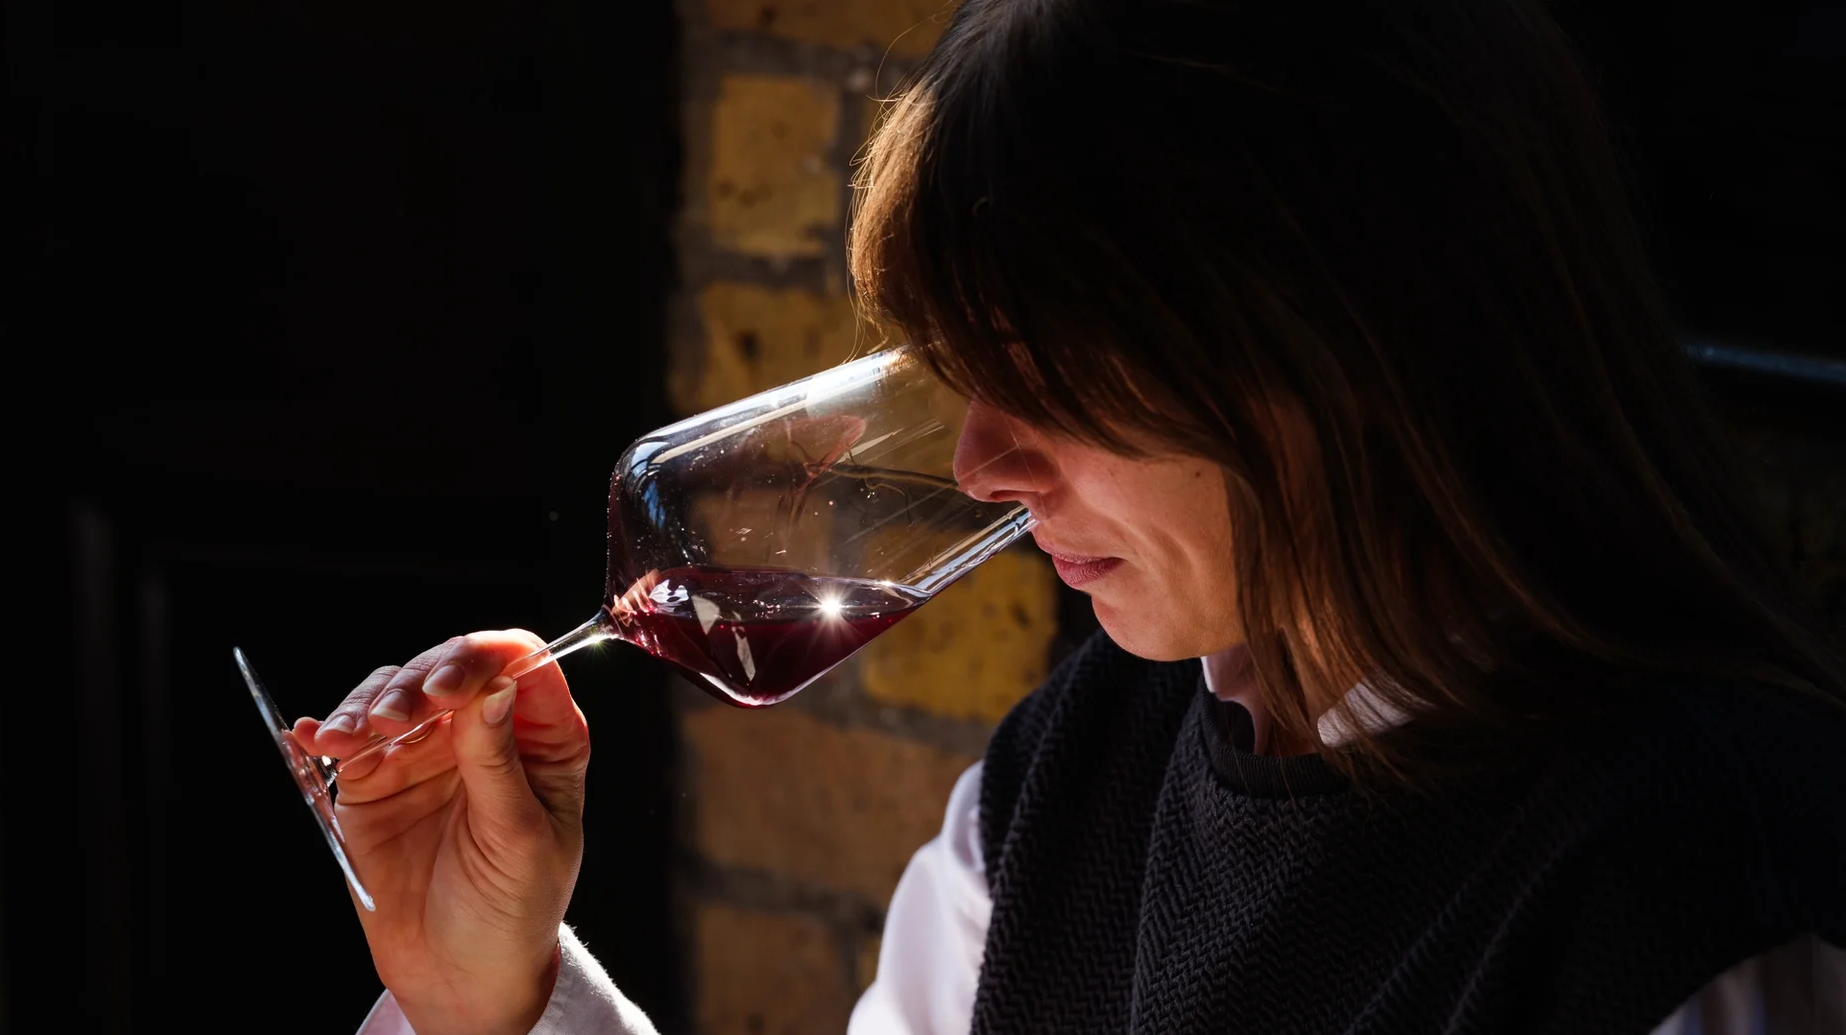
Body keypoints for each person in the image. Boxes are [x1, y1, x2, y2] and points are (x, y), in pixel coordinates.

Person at [300, 0, 1846, 1031]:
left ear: (1345, 351)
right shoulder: (1068, 784)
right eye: (969, 373)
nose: (981, 464)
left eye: (1061, 378)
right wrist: (494, 994)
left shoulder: (1702, 916)